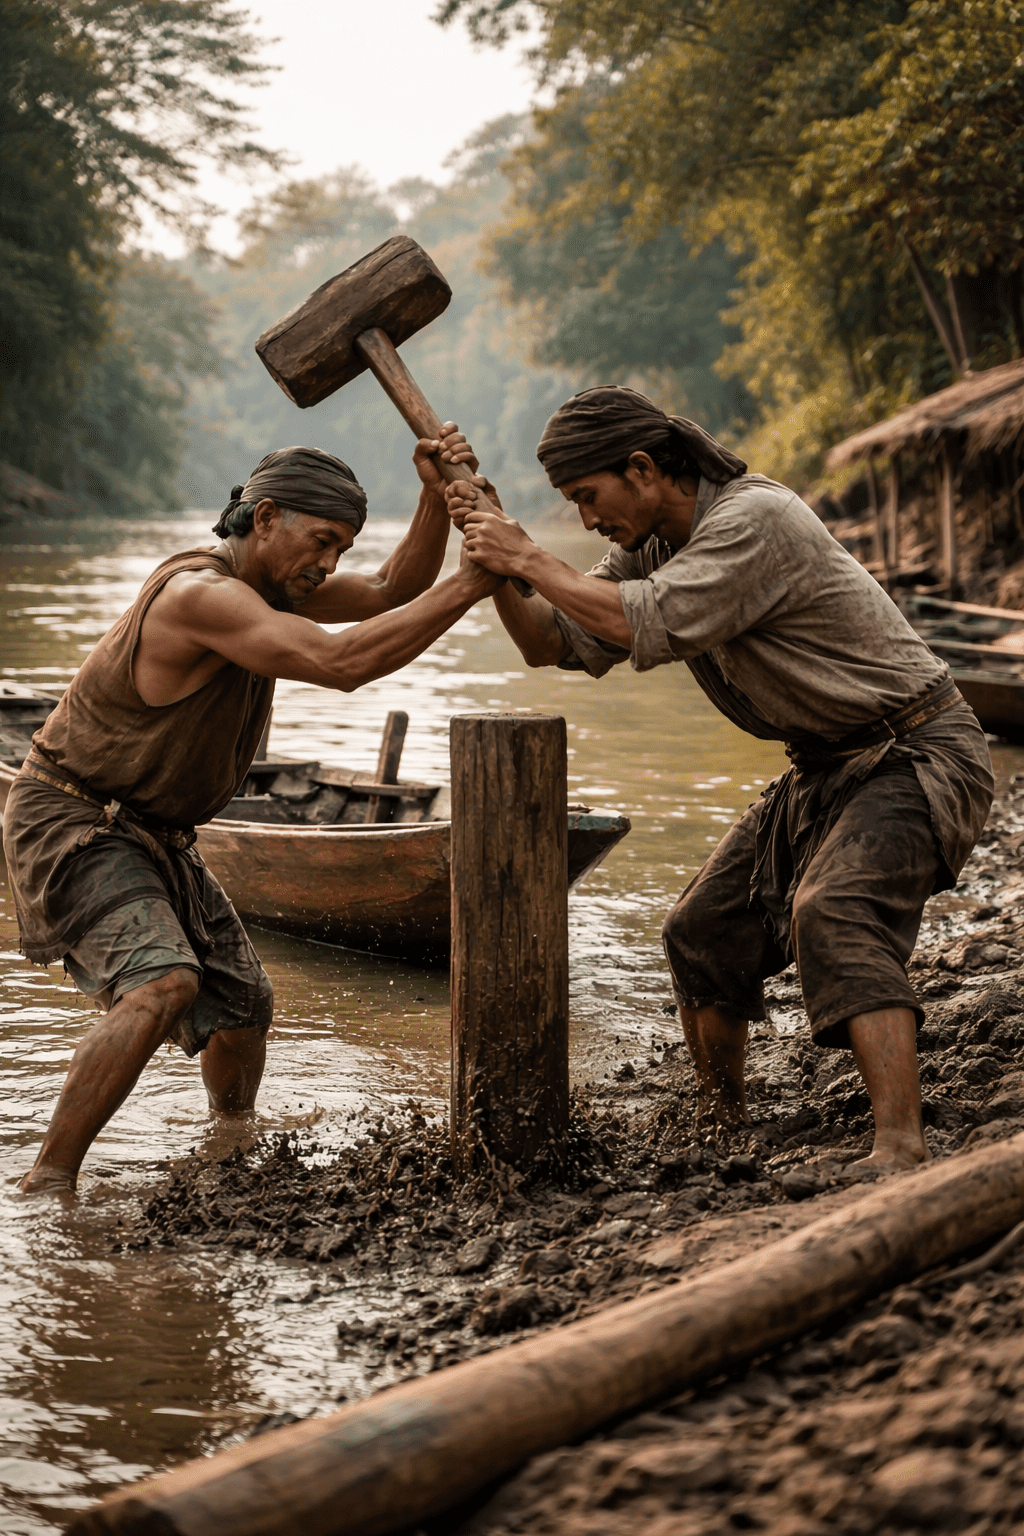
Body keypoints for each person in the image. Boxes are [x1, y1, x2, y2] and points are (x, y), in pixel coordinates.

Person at [446, 385, 994, 1172]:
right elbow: (551, 642)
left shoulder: (751, 520)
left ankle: (899, 1147)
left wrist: (526, 554)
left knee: (833, 910)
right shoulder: (652, 545)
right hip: (826, 763)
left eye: (589, 497)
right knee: (699, 932)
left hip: (916, 749)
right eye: (571, 504)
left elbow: (639, 618)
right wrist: (495, 560)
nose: (587, 519)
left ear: (642, 469)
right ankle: (721, 1124)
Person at [5, 426, 500, 1194]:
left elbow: (389, 591)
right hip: (74, 817)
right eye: (321, 540)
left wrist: (437, 497)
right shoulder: (200, 595)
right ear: (264, 518)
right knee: (163, 984)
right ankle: (49, 1182)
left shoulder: (272, 586)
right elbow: (342, 664)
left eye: (341, 547)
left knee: (241, 1002)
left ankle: (228, 1149)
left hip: (155, 829)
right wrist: (474, 582)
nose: (330, 564)